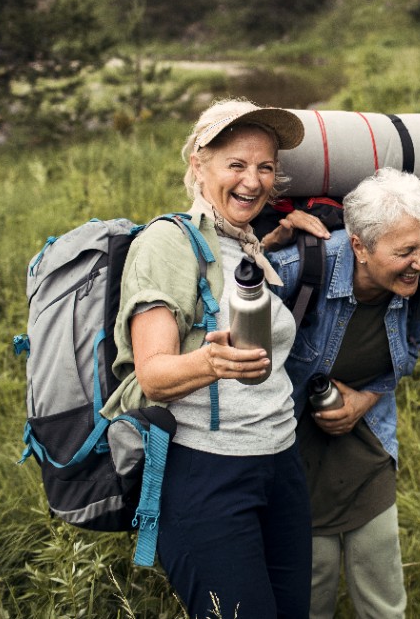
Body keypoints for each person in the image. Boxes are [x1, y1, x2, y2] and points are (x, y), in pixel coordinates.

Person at [102, 97, 314, 619]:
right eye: (236, 165)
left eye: (266, 167)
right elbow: (152, 375)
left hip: (280, 463)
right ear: (199, 164)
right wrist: (212, 364)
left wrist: (279, 238)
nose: (254, 181)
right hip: (208, 474)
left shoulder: (245, 244)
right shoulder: (166, 244)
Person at [268, 167, 420, 619]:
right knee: (311, 589)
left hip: (366, 441)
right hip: (290, 448)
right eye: (406, 251)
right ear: (359, 246)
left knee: (383, 597)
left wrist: (366, 399)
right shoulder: (296, 270)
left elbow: (415, 346)